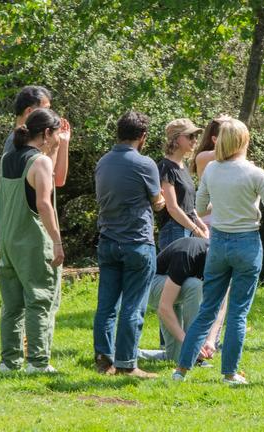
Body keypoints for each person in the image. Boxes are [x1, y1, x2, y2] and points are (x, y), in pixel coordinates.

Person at [173, 117, 264, 385]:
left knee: (207, 308)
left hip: (219, 243)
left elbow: (199, 210)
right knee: (238, 312)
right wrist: (256, 196)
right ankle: (229, 373)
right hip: (247, 243)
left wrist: (225, 205)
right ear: (244, 141)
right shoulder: (255, 173)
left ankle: (181, 371)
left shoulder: (211, 170)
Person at [0, 108, 70, 374]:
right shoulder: (40, 162)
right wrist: (57, 242)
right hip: (33, 242)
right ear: (47, 133)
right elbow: (43, 203)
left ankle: (9, 361)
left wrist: (57, 147)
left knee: (12, 306)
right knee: (40, 299)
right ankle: (38, 362)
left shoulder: (8, 158)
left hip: (8, 240)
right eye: (56, 133)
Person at [93, 111, 165, 378]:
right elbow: (157, 202)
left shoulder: (103, 162)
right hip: (137, 242)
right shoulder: (145, 164)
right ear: (142, 137)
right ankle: (126, 364)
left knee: (106, 305)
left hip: (108, 241)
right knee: (133, 305)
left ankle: (103, 360)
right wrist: (161, 201)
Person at [140, 237, 227, 363]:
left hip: (176, 289)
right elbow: (164, 307)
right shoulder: (187, 253)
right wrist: (189, 342)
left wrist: (211, 340)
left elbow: (221, 306)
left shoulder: (225, 264)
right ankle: (194, 345)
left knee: (176, 358)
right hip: (151, 285)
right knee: (194, 285)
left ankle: (135, 354)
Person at [157, 119, 209, 250]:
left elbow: (188, 205)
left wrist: (201, 224)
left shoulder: (183, 167)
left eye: (196, 136)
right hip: (174, 230)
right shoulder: (165, 167)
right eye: (190, 136)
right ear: (175, 138)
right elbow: (172, 208)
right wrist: (197, 229)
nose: (195, 140)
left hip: (187, 227)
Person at [4, 86, 69, 188]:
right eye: (46, 109)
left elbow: (58, 181)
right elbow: (48, 185)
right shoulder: (17, 143)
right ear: (29, 111)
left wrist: (63, 142)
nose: (50, 114)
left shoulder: (35, 141)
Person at [189, 115, 232, 228]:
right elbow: (235, 148)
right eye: (229, 135)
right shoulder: (204, 156)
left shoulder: (228, 157)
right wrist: (230, 123)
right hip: (210, 217)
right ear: (214, 139)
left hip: (224, 216)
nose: (233, 139)